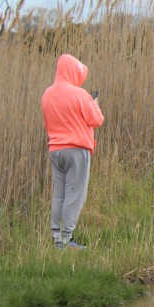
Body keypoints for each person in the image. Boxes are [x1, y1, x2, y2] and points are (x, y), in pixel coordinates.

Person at [41, 54, 105, 250]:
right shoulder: (79, 94)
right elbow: (97, 120)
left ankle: (57, 239)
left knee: (59, 194)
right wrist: (94, 103)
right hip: (76, 150)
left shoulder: (47, 94)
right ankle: (67, 240)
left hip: (55, 150)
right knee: (75, 195)